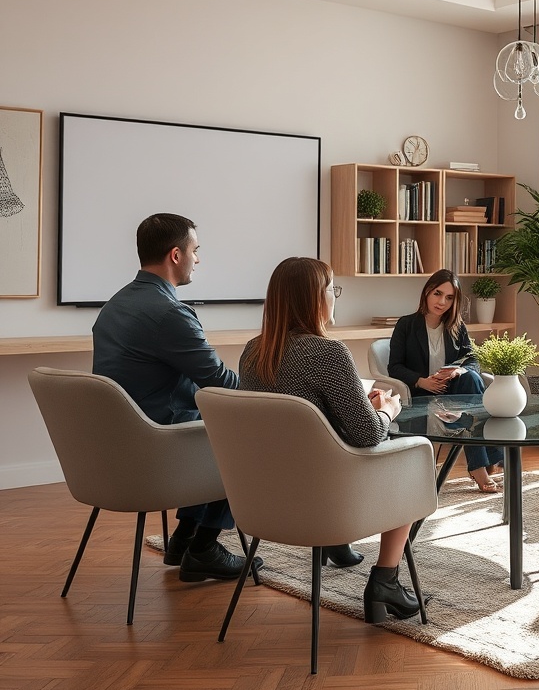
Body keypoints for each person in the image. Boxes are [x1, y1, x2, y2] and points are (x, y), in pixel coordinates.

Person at [238, 257, 421, 623]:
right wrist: (386, 410)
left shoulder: (252, 352)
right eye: (331, 289)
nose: (335, 297)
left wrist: (357, 407)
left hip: (263, 500)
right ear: (315, 297)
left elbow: (307, 421)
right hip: (327, 500)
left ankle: (337, 546)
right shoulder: (327, 353)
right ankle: (386, 579)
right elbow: (368, 435)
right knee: (412, 462)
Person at [92, 213, 262, 582]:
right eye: (195, 251)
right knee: (244, 434)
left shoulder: (115, 305)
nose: (197, 259)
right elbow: (219, 381)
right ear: (175, 255)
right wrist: (269, 391)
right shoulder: (169, 313)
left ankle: (183, 539)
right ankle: (203, 547)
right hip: (156, 444)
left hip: (118, 442)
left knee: (212, 422)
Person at [389, 269, 504, 492]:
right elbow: (394, 367)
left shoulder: (457, 327)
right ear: (427, 292)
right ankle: (487, 461)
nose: (442, 302)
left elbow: (472, 361)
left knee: (471, 378)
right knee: (476, 398)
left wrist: (457, 372)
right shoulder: (406, 325)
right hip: (422, 393)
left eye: (449, 297)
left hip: (454, 391)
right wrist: (422, 381)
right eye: (437, 294)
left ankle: (479, 465)